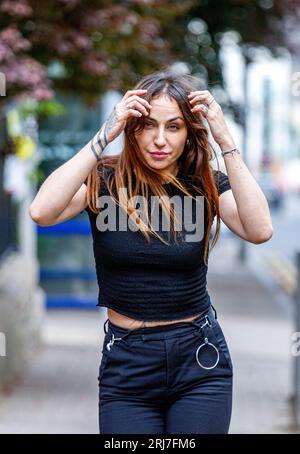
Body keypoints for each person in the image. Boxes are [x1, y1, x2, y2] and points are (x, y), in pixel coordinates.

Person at [29, 70, 273, 434]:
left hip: (198, 360)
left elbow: (260, 230)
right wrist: (104, 133)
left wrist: (225, 140)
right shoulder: (104, 181)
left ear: (189, 132)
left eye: (174, 127)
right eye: (148, 126)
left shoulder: (205, 184)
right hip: (126, 364)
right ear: (132, 129)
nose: (160, 140)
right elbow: (42, 211)